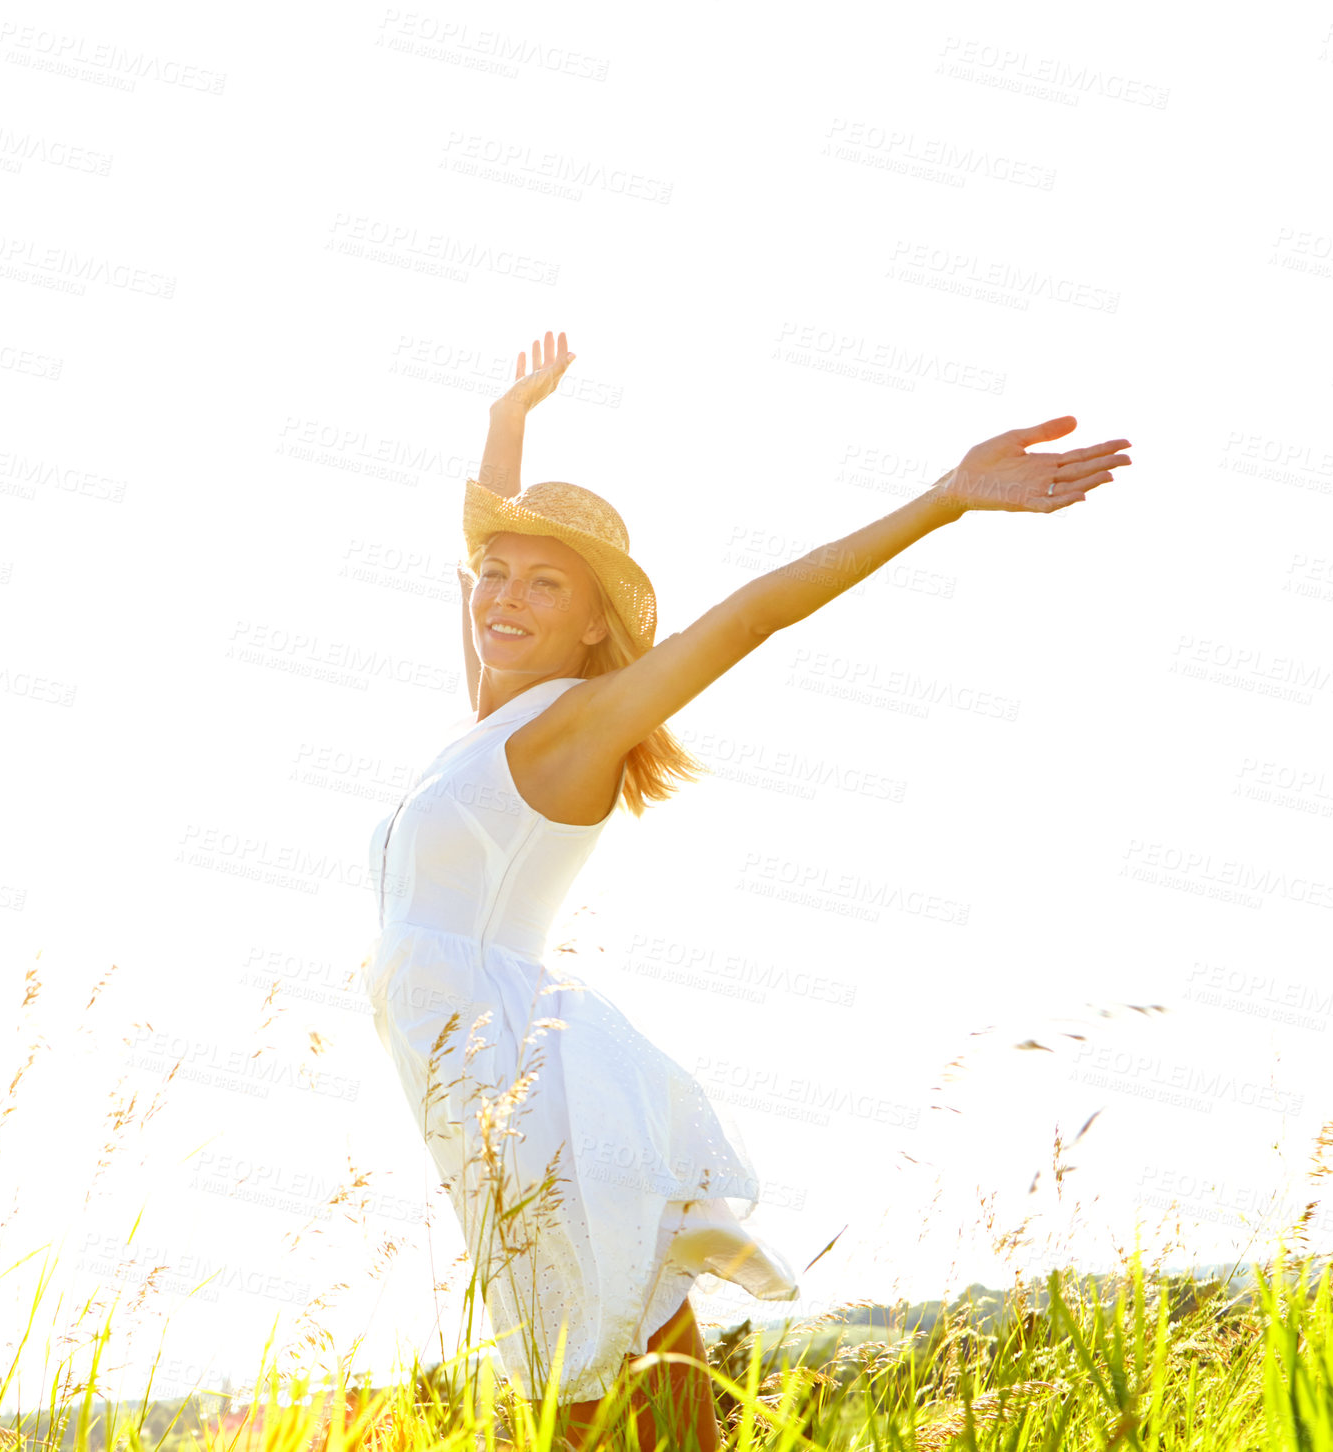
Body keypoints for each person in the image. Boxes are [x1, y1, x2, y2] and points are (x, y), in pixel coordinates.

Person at [363, 330, 1132, 1449]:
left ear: (594, 623)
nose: (502, 598)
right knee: (625, 1351)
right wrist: (509, 415)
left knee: (576, 1362)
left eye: (544, 582)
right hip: (489, 1073)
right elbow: (480, 539)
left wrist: (941, 500)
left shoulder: (576, 727)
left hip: (516, 1080)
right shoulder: (494, 719)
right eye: (493, 574)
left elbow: (746, 618)